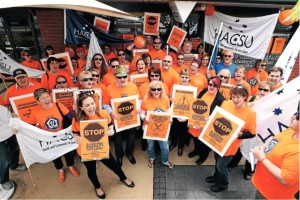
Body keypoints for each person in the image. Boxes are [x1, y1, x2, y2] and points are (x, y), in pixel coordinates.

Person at [72, 92, 135, 199]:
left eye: (92, 103)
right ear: (81, 107)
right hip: (85, 151)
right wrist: (75, 137)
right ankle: (97, 187)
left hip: (101, 148)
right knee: (91, 171)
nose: (91, 107)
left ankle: (123, 177)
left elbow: (110, 125)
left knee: (114, 165)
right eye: (87, 105)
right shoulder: (77, 119)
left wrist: (111, 130)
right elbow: (75, 132)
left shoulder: (103, 113)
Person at [206, 86, 256, 192]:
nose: (235, 100)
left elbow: (252, 133)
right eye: (233, 96)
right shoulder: (226, 103)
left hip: (230, 147)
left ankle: (223, 184)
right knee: (217, 161)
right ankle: (216, 177)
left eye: (238, 97)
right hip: (217, 140)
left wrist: (240, 134)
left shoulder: (250, 113)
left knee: (221, 166)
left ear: (245, 97)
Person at [27, 88, 79, 182]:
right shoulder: (35, 111)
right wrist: (18, 129)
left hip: (63, 136)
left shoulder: (58, 105)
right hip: (48, 139)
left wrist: (78, 114)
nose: (47, 99)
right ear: (38, 101)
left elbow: (71, 117)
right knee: (54, 156)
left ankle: (71, 167)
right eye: (43, 98)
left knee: (68, 153)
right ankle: (60, 170)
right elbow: (30, 126)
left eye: (47, 96)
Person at [228, 81, 275, 179]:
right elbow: (242, 105)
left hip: (260, 134)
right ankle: (232, 164)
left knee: (253, 154)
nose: (262, 92)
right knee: (239, 149)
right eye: (260, 89)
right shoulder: (252, 98)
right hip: (247, 130)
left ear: (271, 92)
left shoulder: (273, 106)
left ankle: (249, 171)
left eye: (265, 90)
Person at [251, 105, 299, 199]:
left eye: (298, 116)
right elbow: (276, 138)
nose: (293, 116)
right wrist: (263, 148)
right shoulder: (292, 130)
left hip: (272, 196)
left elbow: (285, 180)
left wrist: (262, 158)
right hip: (264, 187)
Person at [107, 66, 141, 167]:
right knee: (118, 140)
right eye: (119, 77)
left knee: (131, 138)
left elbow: (138, 100)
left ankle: (129, 153)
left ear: (128, 76)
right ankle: (119, 156)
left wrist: (138, 111)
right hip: (117, 120)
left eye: (124, 77)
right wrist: (110, 112)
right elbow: (105, 105)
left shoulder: (133, 86)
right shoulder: (109, 88)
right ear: (115, 76)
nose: (122, 79)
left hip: (131, 119)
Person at [188, 76, 225, 165]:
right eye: (210, 84)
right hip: (198, 122)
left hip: (209, 125)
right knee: (196, 138)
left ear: (218, 87)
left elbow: (221, 115)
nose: (211, 87)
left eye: (214, 85)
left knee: (205, 142)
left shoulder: (221, 99)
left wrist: (211, 117)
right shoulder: (204, 91)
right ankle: (196, 150)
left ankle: (203, 156)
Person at [140, 80, 173, 169]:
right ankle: (151, 158)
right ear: (150, 90)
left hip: (163, 128)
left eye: (158, 89)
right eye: (154, 89)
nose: (156, 91)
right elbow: (142, 113)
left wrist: (170, 119)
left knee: (165, 147)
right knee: (150, 146)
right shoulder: (146, 100)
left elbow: (168, 111)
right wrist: (143, 118)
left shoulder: (165, 99)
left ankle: (165, 161)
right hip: (148, 127)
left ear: (161, 90)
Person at [0, 96, 25, 199]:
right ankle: (4, 180)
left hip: (9, 132)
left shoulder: (1, 107)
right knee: (3, 160)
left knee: (14, 148)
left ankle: (14, 165)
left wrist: (12, 117)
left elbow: (7, 116)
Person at [169, 69, 195, 156]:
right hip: (176, 112)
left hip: (186, 115)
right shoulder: (175, 86)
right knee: (174, 129)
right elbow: (170, 97)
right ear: (179, 77)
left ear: (189, 78)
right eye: (182, 77)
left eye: (186, 77)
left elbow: (193, 104)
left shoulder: (192, 89)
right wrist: (171, 99)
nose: (184, 79)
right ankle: (173, 143)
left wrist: (186, 117)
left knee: (183, 132)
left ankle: (180, 147)